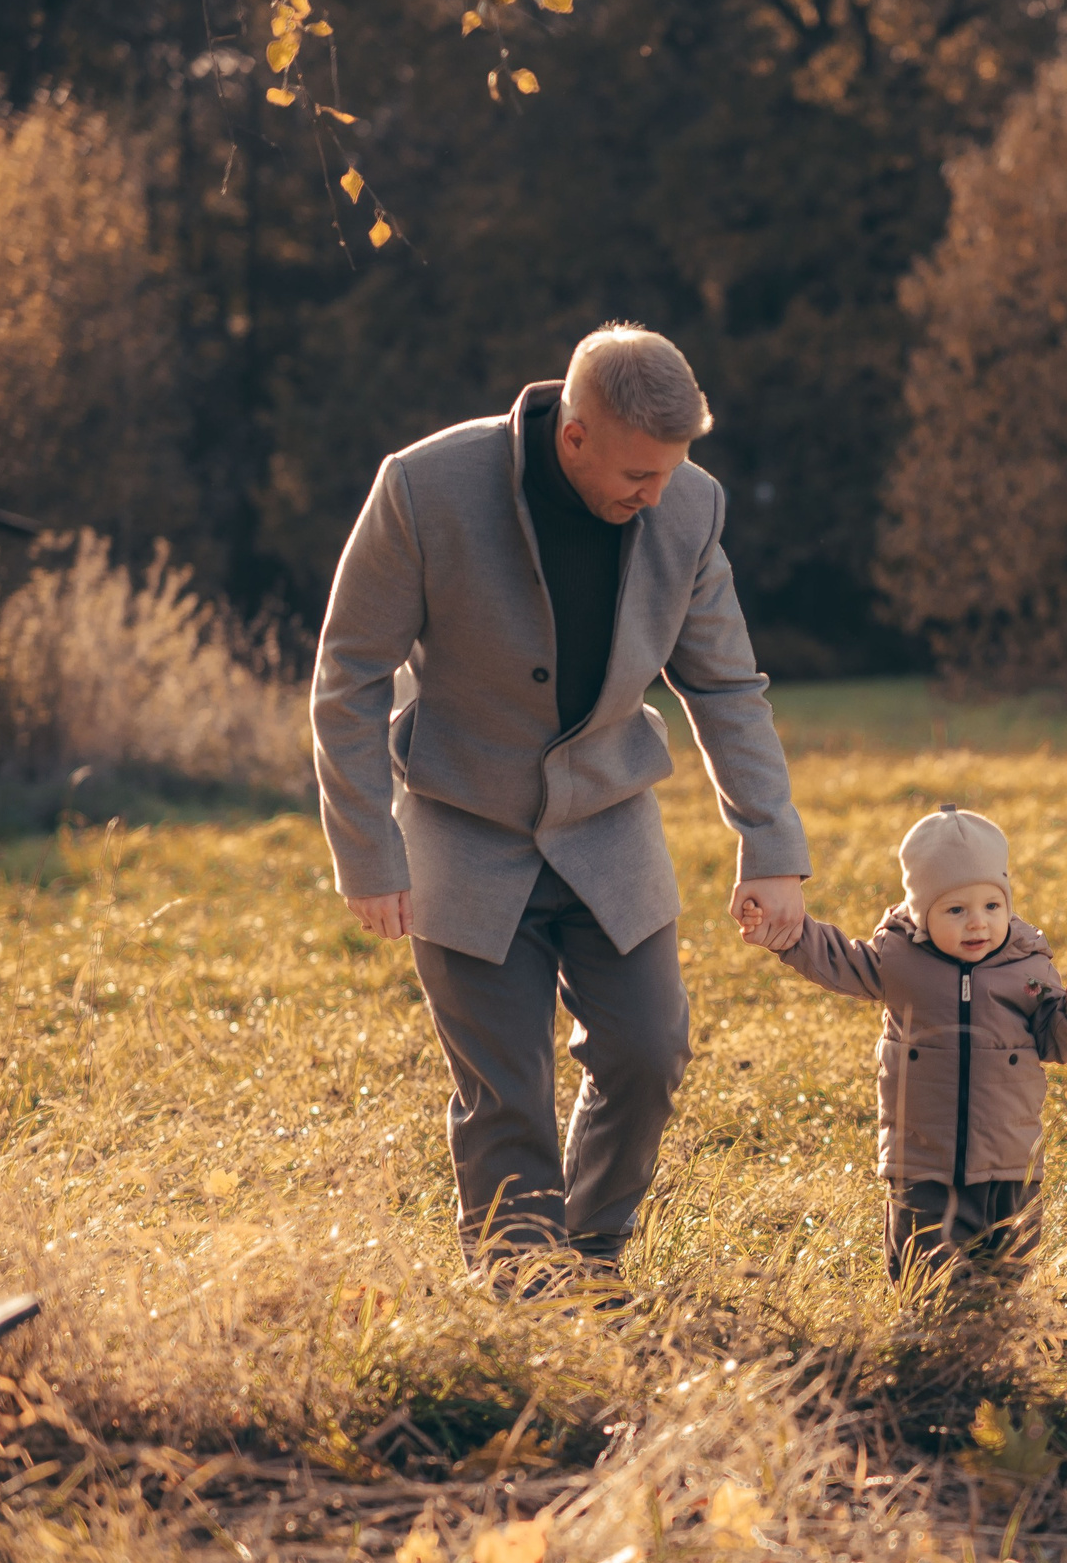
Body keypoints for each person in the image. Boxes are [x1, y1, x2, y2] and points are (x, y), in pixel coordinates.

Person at [310, 323, 812, 1288]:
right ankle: (519, 1292)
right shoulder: (423, 488)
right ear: (573, 435)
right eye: (637, 474)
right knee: (508, 1095)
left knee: (648, 1050)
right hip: (461, 826)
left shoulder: (689, 508)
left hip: (608, 824)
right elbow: (349, 675)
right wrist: (367, 851)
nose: (654, 496)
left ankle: (587, 1260)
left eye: (670, 473)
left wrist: (771, 842)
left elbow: (726, 686)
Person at [742, 804, 1067, 1284]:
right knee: (924, 1269)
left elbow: (1052, 1041)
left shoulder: (1027, 966)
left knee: (1007, 1268)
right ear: (921, 911)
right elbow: (834, 958)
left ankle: (997, 1339)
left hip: (1009, 1159)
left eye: (991, 907)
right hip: (922, 1159)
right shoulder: (899, 960)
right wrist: (785, 931)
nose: (977, 923)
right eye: (956, 910)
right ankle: (928, 1341)